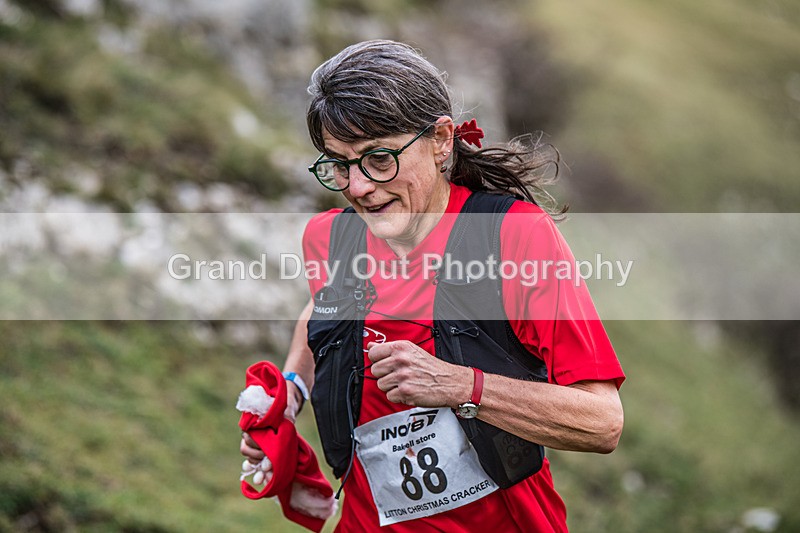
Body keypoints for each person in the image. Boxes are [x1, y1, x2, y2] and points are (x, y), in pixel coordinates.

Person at [241, 39, 624, 532]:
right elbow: (322, 311)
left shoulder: (512, 237)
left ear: (441, 140)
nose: (358, 187)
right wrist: (289, 395)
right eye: (339, 164)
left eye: (379, 158)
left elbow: (602, 421)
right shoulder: (330, 238)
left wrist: (459, 385)